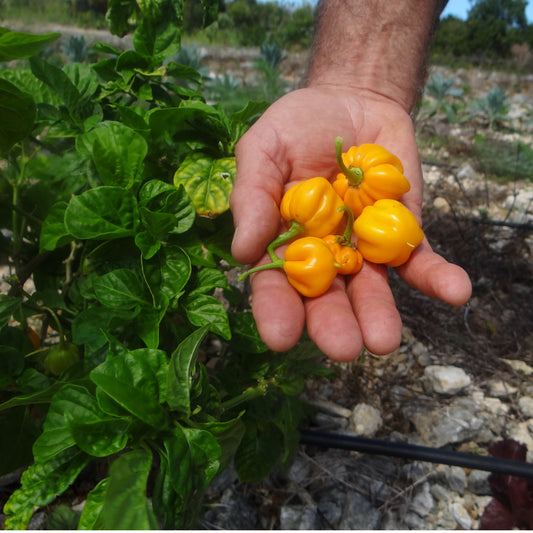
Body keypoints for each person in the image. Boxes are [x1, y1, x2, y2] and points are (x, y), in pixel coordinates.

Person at [229, 0, 472, 362]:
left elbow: (389, 193)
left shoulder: (358, 195)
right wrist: (353, 82)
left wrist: (368, 89)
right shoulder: (345, 201)